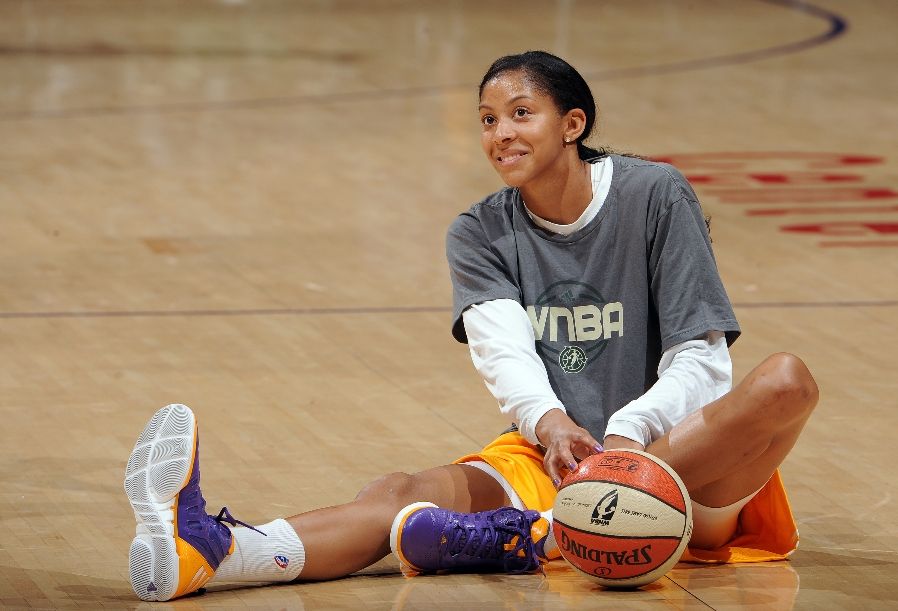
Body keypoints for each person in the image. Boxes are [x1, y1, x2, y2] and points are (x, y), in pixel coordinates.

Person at [123, 51, 819, 602]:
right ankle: (214, 554)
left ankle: (534, 533)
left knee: (786, 380)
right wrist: (549, 425)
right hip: (559, 453)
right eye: (487, 119)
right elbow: (504, 352)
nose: (500, 133)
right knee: (395, 495)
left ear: (572, 124)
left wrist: (627, 436)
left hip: (678, 464)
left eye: (520, 113)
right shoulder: (479, 230)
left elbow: (702, 361)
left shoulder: (655, 194)